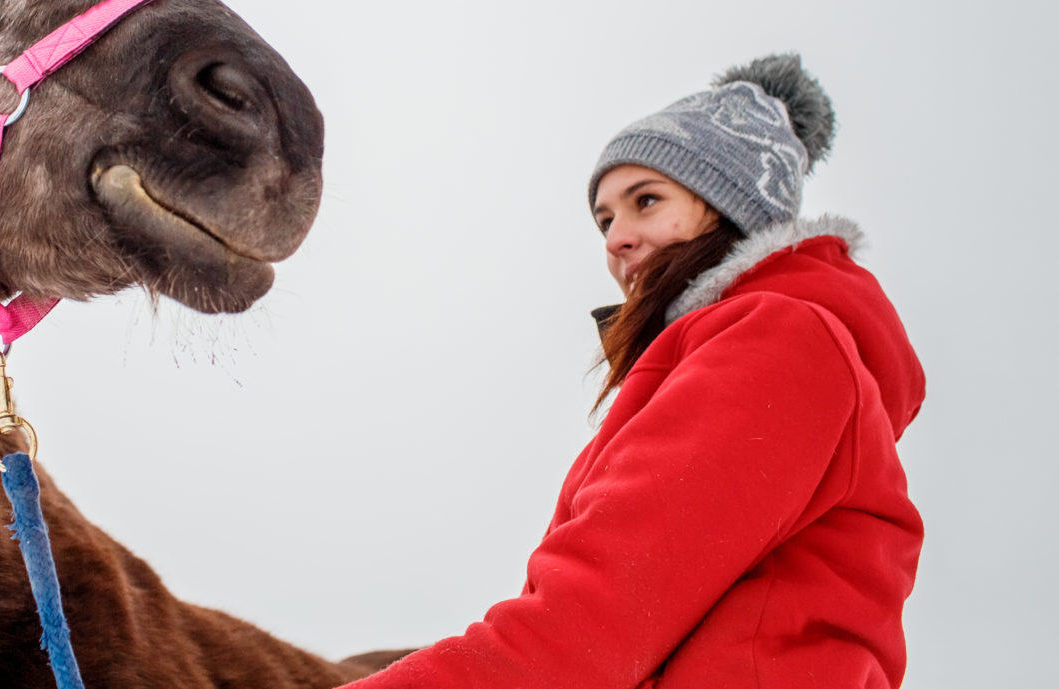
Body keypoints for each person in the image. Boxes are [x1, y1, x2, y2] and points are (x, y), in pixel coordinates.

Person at [343, 54, 924, 688]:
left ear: (733, 206)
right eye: (605, 219)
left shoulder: (778, 339)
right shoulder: (742, 351)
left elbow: (586, 627)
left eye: (646, 201)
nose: (616, 237)